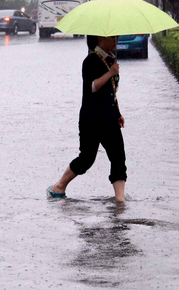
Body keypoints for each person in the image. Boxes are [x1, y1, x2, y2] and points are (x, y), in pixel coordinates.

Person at [48, 35, 127, 203]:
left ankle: (120, 200)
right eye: (113, 37)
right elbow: (91, 87)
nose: (116, 40)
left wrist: (118, 112)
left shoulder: (110, 59)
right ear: (100, 38)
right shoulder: (90, 61)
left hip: (109, 117)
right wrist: (110, 73)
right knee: (87, 158)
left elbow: (111, 91)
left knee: (118, 157)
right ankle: (59, 187)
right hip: (91, 119)